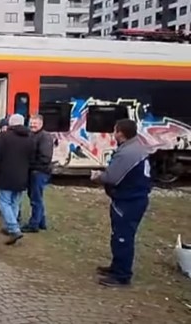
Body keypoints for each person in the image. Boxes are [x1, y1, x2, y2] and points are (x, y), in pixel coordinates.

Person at [90, 119, 151, 287]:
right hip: (130, 198)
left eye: (115, 130)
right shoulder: (136, 147)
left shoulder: (128, 152)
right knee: (118, 236)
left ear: (120, 133)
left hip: (129, 201)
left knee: (123, 238)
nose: (113, 133)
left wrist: (97, 177)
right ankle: (116, 267)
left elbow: (112, 177)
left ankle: (122, 275)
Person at [0, 114, 33, 245]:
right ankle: (9, 227)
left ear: (10, 123)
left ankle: (14, 229)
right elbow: (32, 158)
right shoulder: (30, 138)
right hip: (22, 176)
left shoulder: (3, 137)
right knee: (15, 202)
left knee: (4, 202)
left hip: (5, 175)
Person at [22, 114, 54, 233]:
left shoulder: (45, 137)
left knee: (36, 198)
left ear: (41, 124)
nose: (32, 125)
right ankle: (41, 222)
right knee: (36, 197)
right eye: (31, 123)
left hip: (39, 172)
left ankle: (34, 224)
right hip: (34, 171)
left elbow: (45, 158)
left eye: (35, 123)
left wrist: (30, 164)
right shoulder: (32, 135)